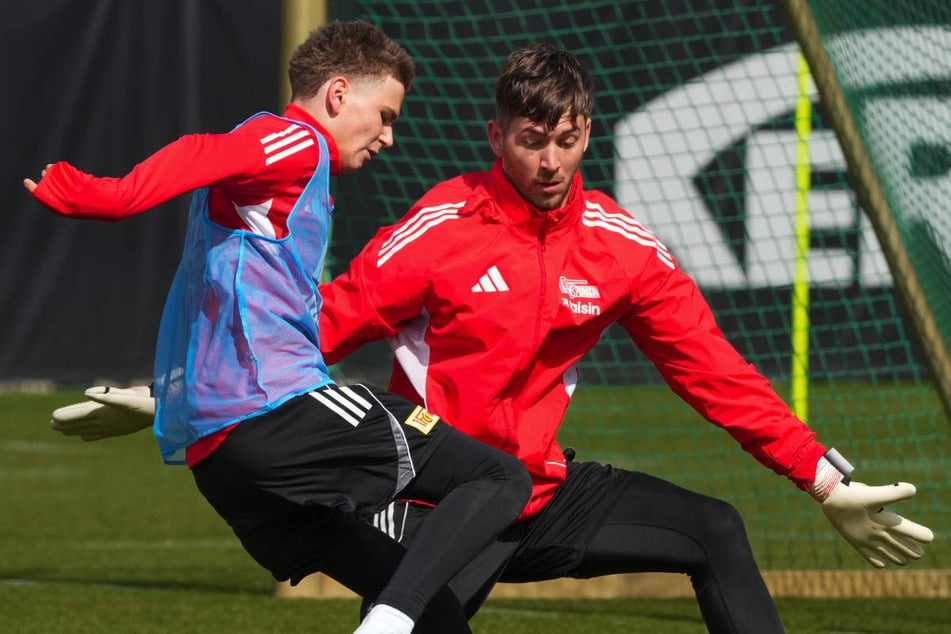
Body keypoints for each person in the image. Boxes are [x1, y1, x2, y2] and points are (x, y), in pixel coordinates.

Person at [50, 43, 934, 633]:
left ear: (587, 132)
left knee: (715, 529)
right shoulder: (442, 223)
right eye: (528, 140)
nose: (549, 161)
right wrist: (169, 393)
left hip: (543, 492)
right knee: (435, 616)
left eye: (565, 140)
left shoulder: (623, 247)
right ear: (496, 136)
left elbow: (713, 371)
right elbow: (324, 319)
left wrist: (820, 479)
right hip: (438, 501)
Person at [25, 20, 533, 634]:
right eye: (387, 115)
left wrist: (161, 401)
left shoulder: (280, 187)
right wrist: (110, 197)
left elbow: (232, 316)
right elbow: (202, 152)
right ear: (339, 95)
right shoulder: (297, 141)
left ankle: (397, 616)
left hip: (222, 461)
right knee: (500, 476)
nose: (389, 138)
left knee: (436, 611)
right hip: (282, 418)